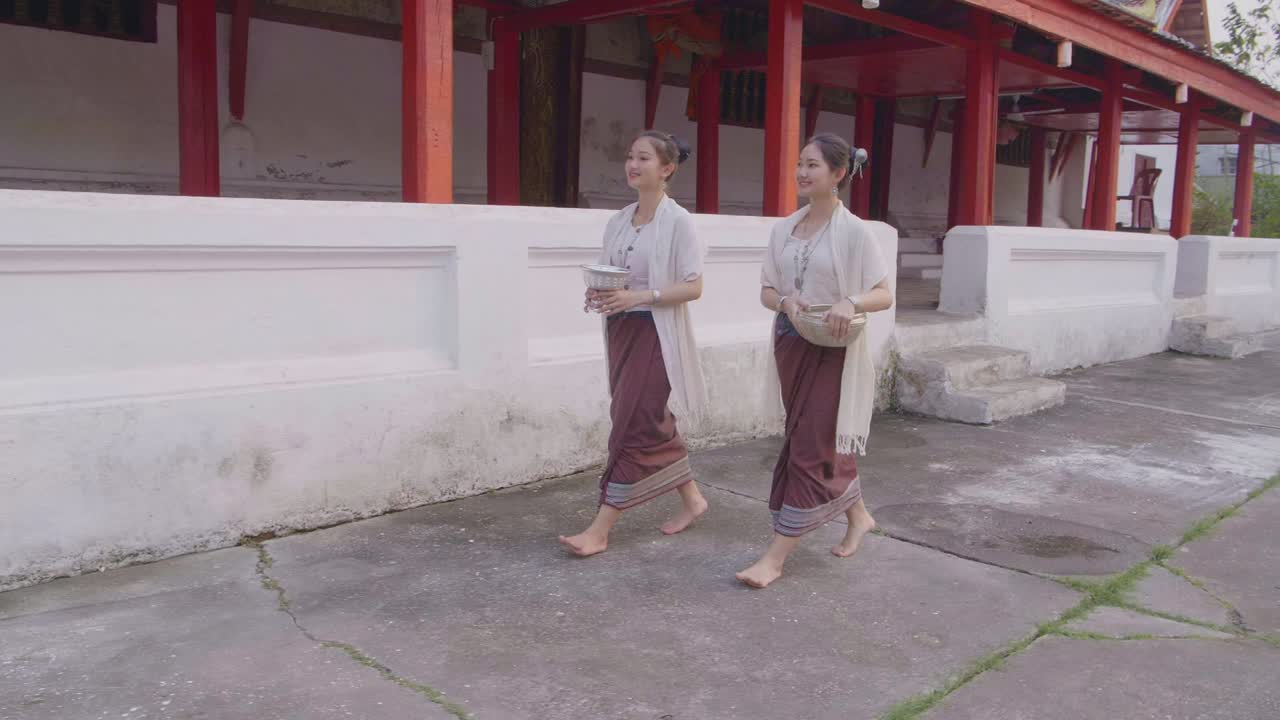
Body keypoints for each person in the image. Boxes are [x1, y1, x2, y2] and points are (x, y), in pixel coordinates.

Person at [736, 133, 895, 588]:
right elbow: (767, 290)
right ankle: (859, 515)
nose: (803, 173)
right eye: (800, 163)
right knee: (811, 436)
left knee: (809, 445)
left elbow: (884, 293)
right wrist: (785, 302)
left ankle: (776, 557)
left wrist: (851, 300)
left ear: (838, 174)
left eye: (813, 165)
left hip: (834, 349)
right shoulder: (783, 229)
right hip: (791, 341)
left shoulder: (854, 232)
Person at [558, 131, 710, 557]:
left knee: (629, 425)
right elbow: (613, 274)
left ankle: (601, 528)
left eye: (643, 158)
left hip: (656, 331)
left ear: (666, 169)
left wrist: (639, 297)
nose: (632, 164)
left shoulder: (679, 222)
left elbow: (693, 287)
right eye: (629, 156)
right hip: (621, 328)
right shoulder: (619, 220)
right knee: (649, 419)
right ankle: (693, 499)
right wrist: (600, 293)